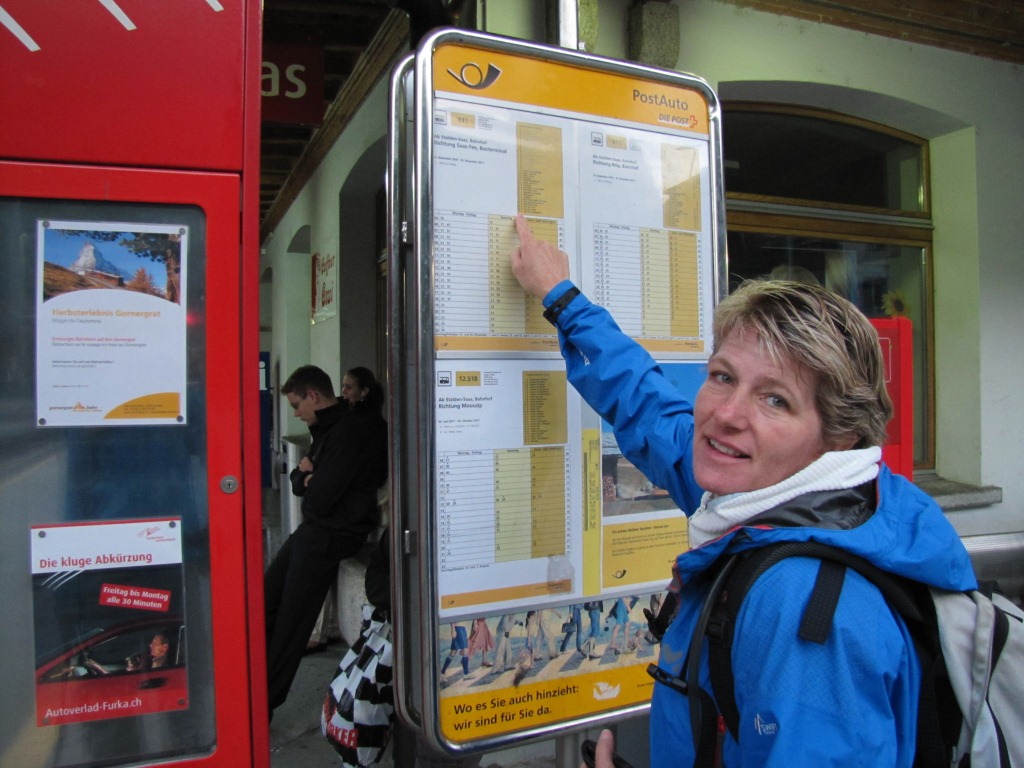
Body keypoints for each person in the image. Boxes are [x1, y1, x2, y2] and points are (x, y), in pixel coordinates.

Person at [509, 215, 978, 767]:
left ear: (840, 435)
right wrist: (561, 300)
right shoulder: (767, 494)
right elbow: (649, 406)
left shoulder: (806, 611)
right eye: (724, 376)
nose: (724, 415)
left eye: (776, 400)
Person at [264, 365, 388, 716]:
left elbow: (318, 496)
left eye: (296, 404)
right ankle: (251, 684)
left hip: (331, 535)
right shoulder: (326, 428)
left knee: (292, 622)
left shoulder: (348, 432)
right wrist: (305, 478)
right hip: (314, 531)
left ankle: (264, 700)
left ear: (313, 396)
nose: (295, 412)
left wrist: (306, 479)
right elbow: (299, 476)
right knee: (266, 602)